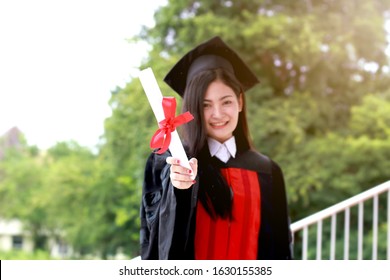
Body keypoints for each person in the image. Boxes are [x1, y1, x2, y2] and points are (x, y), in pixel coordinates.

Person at [140, 36, 293, 260]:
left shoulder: (268, 171)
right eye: (205, 105)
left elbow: (279, 251)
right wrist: (178, 191)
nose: (218, 114)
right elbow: (155, 240)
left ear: (240, 102)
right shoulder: (169, 162)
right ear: (192, 108)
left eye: (226, 102)